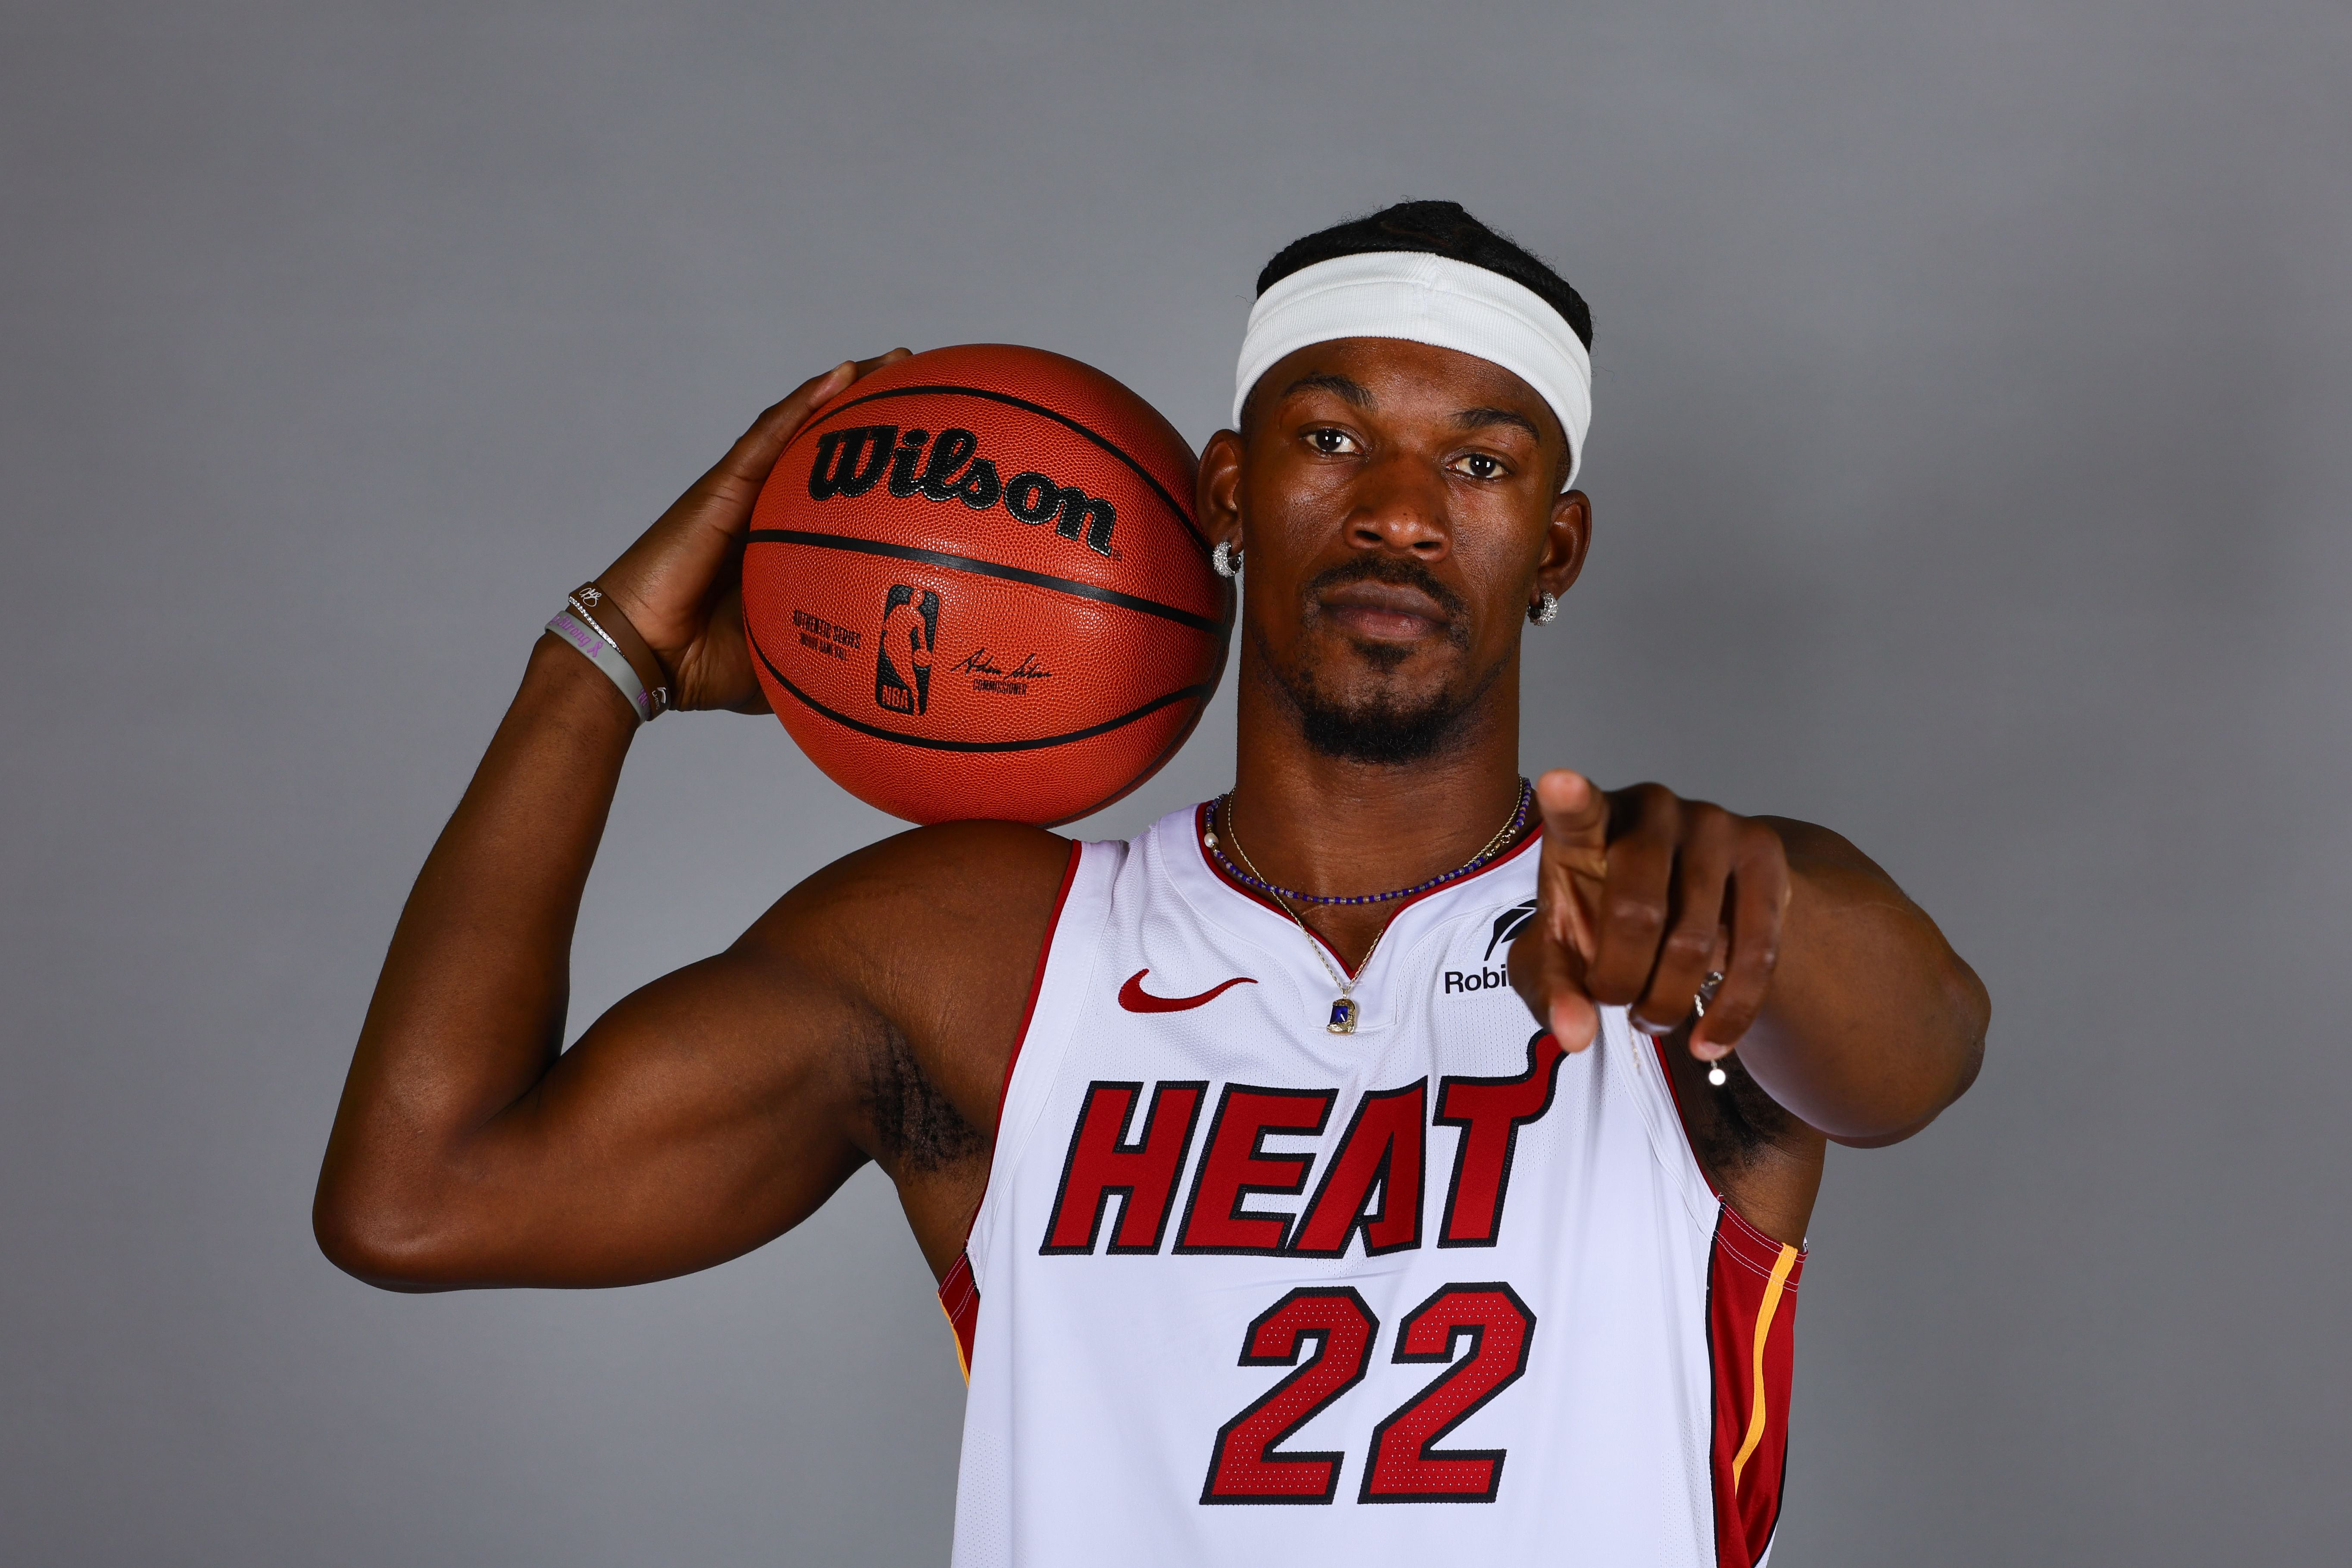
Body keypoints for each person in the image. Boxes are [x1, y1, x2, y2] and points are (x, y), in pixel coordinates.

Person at [316, 200, 1987, 1566]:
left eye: (1480, 463)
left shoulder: (1682, 913)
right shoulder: (984, 952)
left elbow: (1923, 1048)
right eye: (1332, 434)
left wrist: (1735, 928)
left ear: (1556, 548)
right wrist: (596, 666)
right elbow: (423, 1192)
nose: (1401, 511)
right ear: (1227, 492)